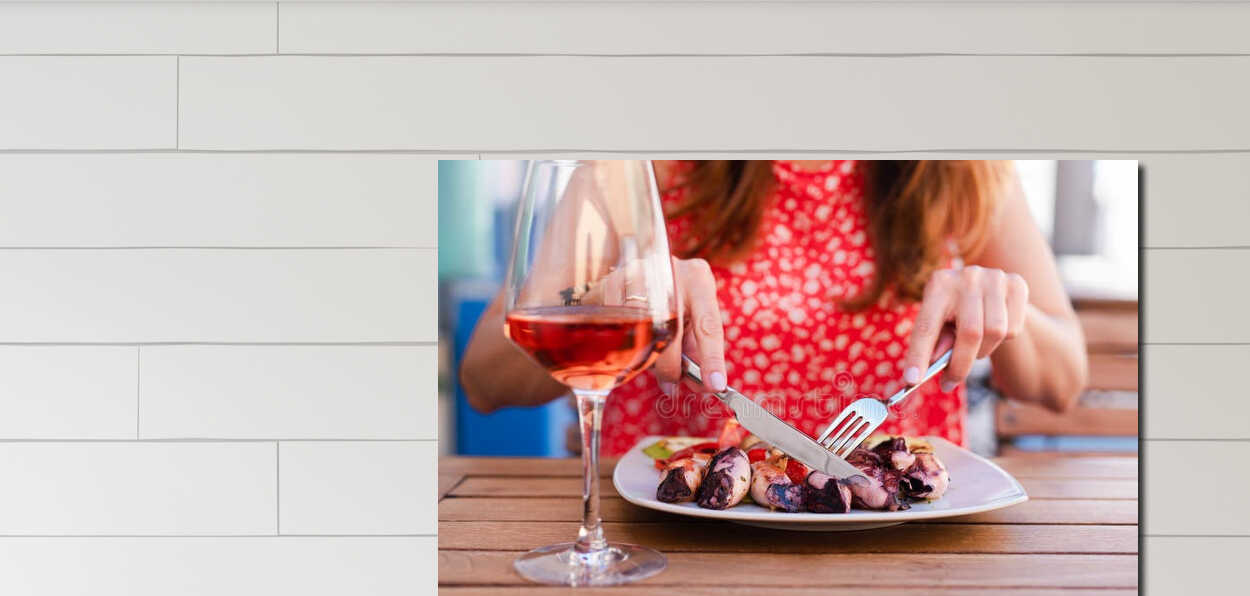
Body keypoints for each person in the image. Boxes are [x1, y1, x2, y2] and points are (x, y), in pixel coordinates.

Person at [459, 160, 1089, 450]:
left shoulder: (964, 169)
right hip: (669, 542)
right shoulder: (636, 164)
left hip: (901, 544)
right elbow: (484, 378)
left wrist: (1005, 310)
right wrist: (607, 306)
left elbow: (1064, 383)